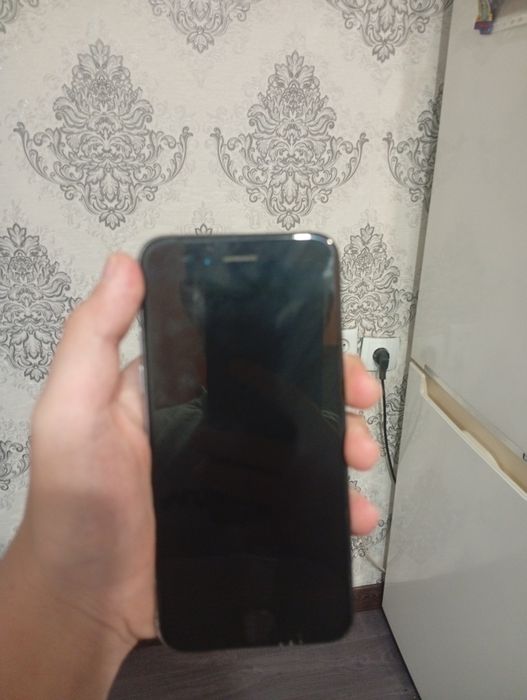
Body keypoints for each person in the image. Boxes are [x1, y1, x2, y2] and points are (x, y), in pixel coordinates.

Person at [0, 253, 381, 700]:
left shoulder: (309, 430)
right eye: (230, 341)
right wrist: (76, 603)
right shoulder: (158, 436)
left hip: (290, 576)